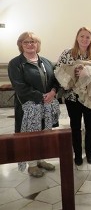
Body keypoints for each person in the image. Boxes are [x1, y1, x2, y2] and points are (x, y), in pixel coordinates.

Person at [8, 31, 59, 178]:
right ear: (21, 45)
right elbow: (20, 86)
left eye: (33, 42)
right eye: (26, 42)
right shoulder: (15, 64)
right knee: (29, 136)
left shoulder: (46, 62)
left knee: (42, 133)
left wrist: (53, 92)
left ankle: (40, 159)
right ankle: (31, 165)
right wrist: (42, 96)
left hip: (45, 106)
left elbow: (55, 80)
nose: (30, 44)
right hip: (27, 108)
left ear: (38, 45)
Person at [55, 27, 91, 166]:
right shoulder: (67, 53)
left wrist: (88, 73)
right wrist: (72, 73)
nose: (84, 39)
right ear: (77, 38)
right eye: (82, 36)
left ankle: (89, 152)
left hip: (90, 96)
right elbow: (58, 70)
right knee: (75, 126)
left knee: (90, 126)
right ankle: (77, 154)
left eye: (87, 37)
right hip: (72, 97)